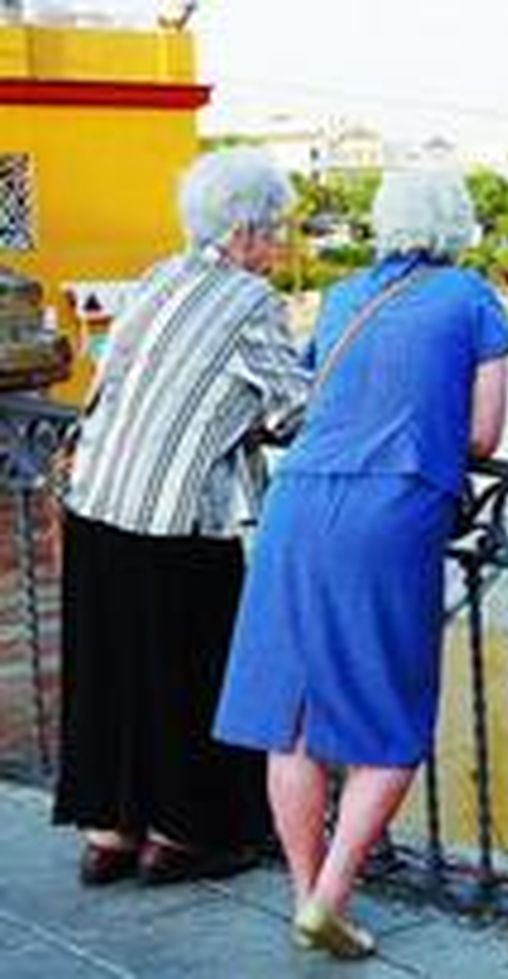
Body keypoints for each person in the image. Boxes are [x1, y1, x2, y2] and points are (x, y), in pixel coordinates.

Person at [213, 169, 508, 959]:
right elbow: (484, 435)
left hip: (299, 501)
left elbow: (315, 395)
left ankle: (304, 894)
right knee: (391, 715)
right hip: (391, 509)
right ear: (458, 227)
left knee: (296, 715)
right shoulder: (473, 297)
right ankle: (332, 896)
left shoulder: (343, 297)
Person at [54, 149, 308, 886]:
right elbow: (296, 407)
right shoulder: (251, 301)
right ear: (247, 230)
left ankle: (109, 834)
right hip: (173, 513)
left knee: (110, 672)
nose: (281, 244)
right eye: (276, 229)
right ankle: (182, 833)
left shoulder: (158, 275)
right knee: (189, 673)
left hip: (98, 499)